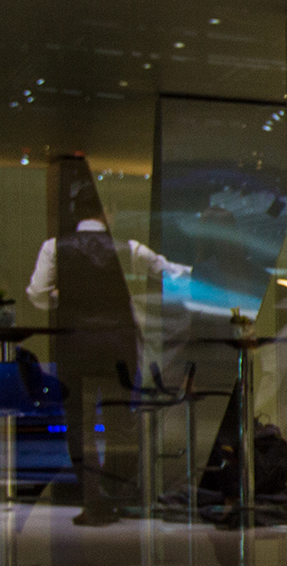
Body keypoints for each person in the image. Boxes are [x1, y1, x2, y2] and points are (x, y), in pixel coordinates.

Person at [27, 167, 188, 526]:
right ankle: (116, 495)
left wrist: (61, 297)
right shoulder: (128, 248)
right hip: (117, 344)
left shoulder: (54, 248)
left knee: (79, 425)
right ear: (108, 213)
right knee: (120, 424)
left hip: (75, 345)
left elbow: (37, 294)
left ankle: (92, 499)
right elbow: (170, 271)